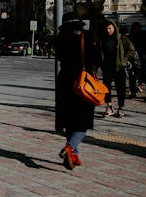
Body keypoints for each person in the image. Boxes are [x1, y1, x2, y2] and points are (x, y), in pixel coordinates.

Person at [55, 15, 101, 170]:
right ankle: (70, 147)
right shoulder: (87, 37)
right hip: (83, 83)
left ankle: (74, 154)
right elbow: (97, 58)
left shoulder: (60, 38)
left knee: (69, 119)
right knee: (83, 120)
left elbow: (59, 57)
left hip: (65, 81)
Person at [99, 18, 136, 118]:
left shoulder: (121, 38)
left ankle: (120, 108)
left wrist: (124, 60)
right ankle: (109, 106)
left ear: (114, 28)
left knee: (121, 88)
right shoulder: (102, 39)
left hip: (119, 68)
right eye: (106, 29)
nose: (108, 30)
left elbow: (131, 50)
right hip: (107, 67)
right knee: (106, 88)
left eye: (110, 28)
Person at [126, 22, 145, 98]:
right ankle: (133, 91)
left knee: (139, 75)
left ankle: (138, 86)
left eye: (137, 28)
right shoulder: (129, 37)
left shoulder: (143, 36)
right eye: (134, 28)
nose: (135, 30)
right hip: (132, 58)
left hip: (140, 58)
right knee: (132, 75)